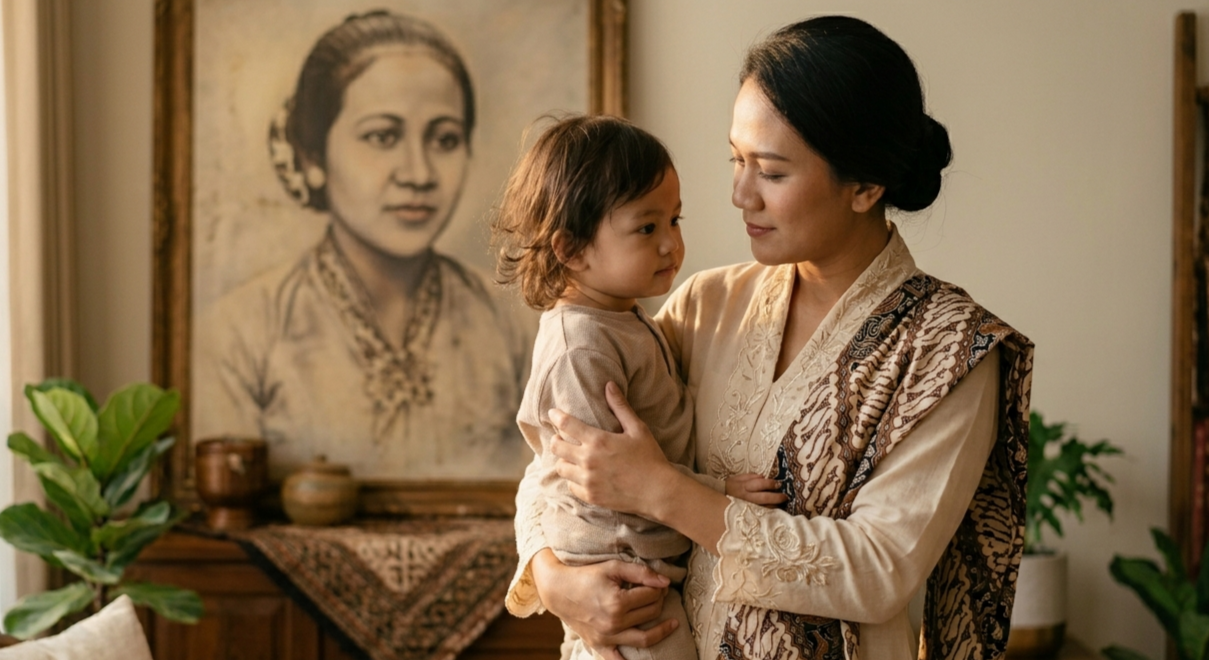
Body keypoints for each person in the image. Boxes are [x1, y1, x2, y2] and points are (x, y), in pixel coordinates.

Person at [505, 16, 1034, 660]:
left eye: (772, 173)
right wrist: (557, 578)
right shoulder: (706, 304)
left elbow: (876, 572)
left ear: (865, 186)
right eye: (736, 160)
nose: (738, 194)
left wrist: (666, 492)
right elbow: (567, 455)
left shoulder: (948, 351)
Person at [492, 115, 786, 660]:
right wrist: (715, 491)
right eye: (647, 228)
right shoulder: (580, 346)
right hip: (623, 574)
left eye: (674, 220)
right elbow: (606, 475)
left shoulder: (624, 317)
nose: (672, 244)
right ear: (572, 249)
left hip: (646, 562)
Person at [193, 11, 534, 481]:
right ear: (313, 156)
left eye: (444, 139)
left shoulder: (514, 325)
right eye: (382, 136)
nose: (418, 173)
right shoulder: (240, 335)